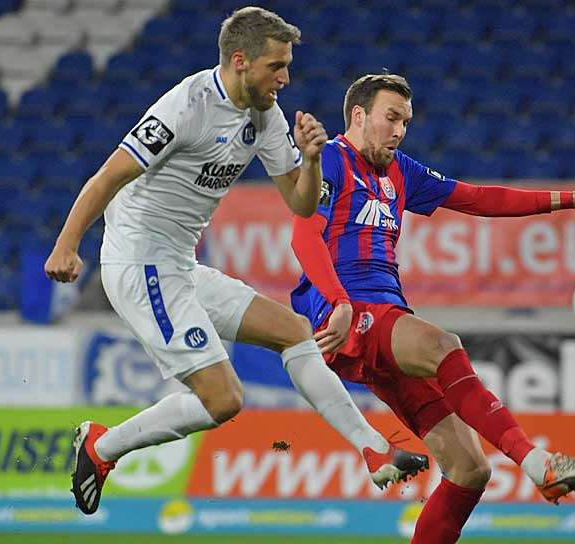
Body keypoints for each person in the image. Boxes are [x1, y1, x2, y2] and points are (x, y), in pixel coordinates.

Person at [44, 8, 427, 516]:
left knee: (294, 330)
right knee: (224, 399)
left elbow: (302, 203)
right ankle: (102, 447)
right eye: (276, 66)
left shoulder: (265, 117)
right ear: (241, 61)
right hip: (139, 263)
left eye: (287, 66)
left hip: (179, 263)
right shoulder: (185, 106)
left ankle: (372, 448)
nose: (285, 78)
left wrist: (311, 161)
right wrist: (66, 245)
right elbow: (107, 177)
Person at [290, 73, 575, 544]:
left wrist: (570, 199)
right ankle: (537, 461)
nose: (400, 130)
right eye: (391, 118)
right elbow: (302, 235)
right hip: (344, 313)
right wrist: (340, 302)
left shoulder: (400, 170)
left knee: (469, 470)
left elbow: (477, 198)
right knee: (443, 344)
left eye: (405, 121)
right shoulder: (332, 162)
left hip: (383, 325)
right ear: (359, 116)